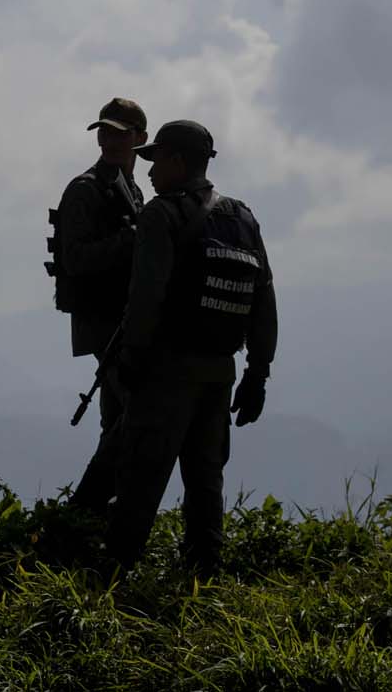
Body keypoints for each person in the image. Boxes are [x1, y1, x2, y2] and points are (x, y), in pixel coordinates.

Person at [104, 121, 277, 575]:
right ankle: (205, 581)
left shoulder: (162, 214)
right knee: (205, 485)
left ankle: (112, 590)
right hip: (220, 374)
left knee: (139, 481)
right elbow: (264, 300)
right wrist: (257, 374)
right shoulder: (242, 218)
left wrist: (130, 363)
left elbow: (146, 297)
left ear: (178, 162)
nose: (150, 172)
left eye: (156, 160)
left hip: (166, 372)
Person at [51, 98, 147, 516]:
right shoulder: (87, 189)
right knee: (134, 414)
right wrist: (128, 242)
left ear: (140, 139)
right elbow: (73, 258)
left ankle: (104, 512)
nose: (108, 139)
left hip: (122, 318)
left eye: (119, 133)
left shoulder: (131, 188)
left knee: (118, 419)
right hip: (102, 318)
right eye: (104, 131)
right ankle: (88, 509)